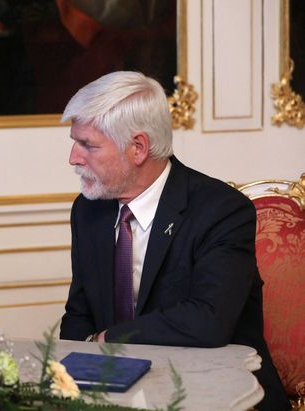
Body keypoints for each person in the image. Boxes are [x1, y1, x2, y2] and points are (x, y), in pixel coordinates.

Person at [59, 71, 290, 410]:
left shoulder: (221, 211)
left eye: (88, 145)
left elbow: (209, 320)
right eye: (75, 142)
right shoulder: (89, 211)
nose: (74, 158)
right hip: (118, 396)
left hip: (220, 394)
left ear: (138, 148)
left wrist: (108, 339)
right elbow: (79, 314)